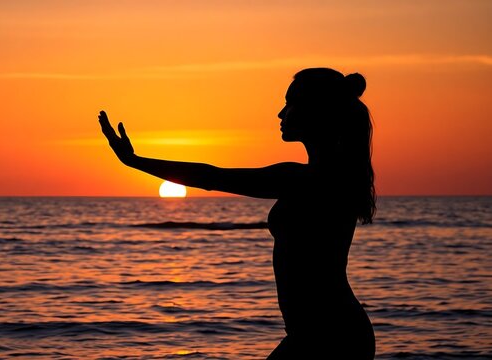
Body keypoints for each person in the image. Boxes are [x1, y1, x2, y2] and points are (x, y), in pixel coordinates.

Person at [98, 67, 376, 359]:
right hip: (324, 332)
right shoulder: (329, 176)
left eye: (289, 103)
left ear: (315, 111)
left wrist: (134, 161)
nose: (281, 114)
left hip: (327, 336)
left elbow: (212, 177)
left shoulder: (307, 179)